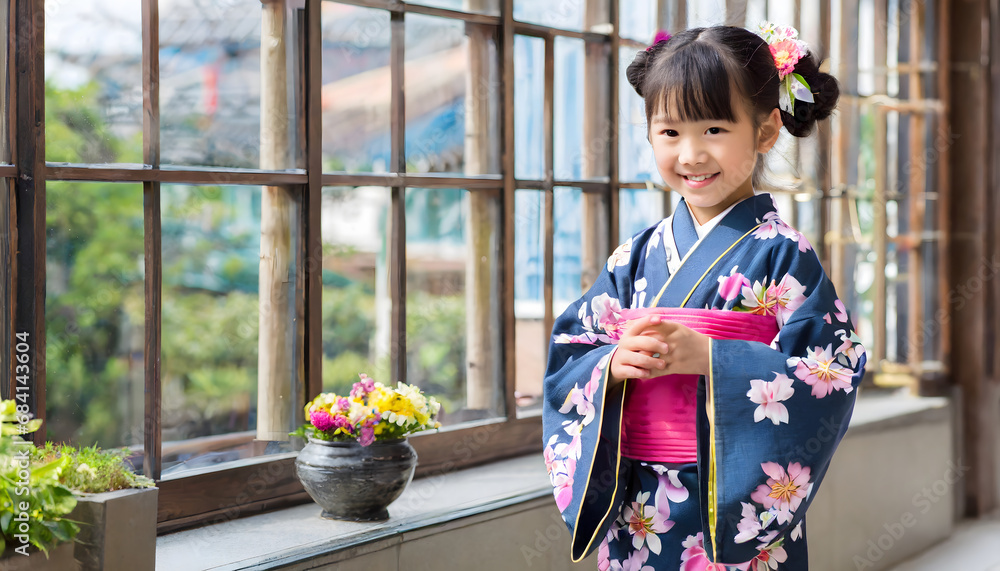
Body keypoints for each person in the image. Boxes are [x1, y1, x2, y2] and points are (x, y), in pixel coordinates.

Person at [542, 23, 867, 570]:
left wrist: (717, 359)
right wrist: (613, 365)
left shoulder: (782, 254)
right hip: (641, 506)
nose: (691, 154)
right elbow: (574, 349)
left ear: (765, 132)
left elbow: (831, 370)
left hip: (739, 503)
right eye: (669, 133)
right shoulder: (635, 256)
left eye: (714, 128)